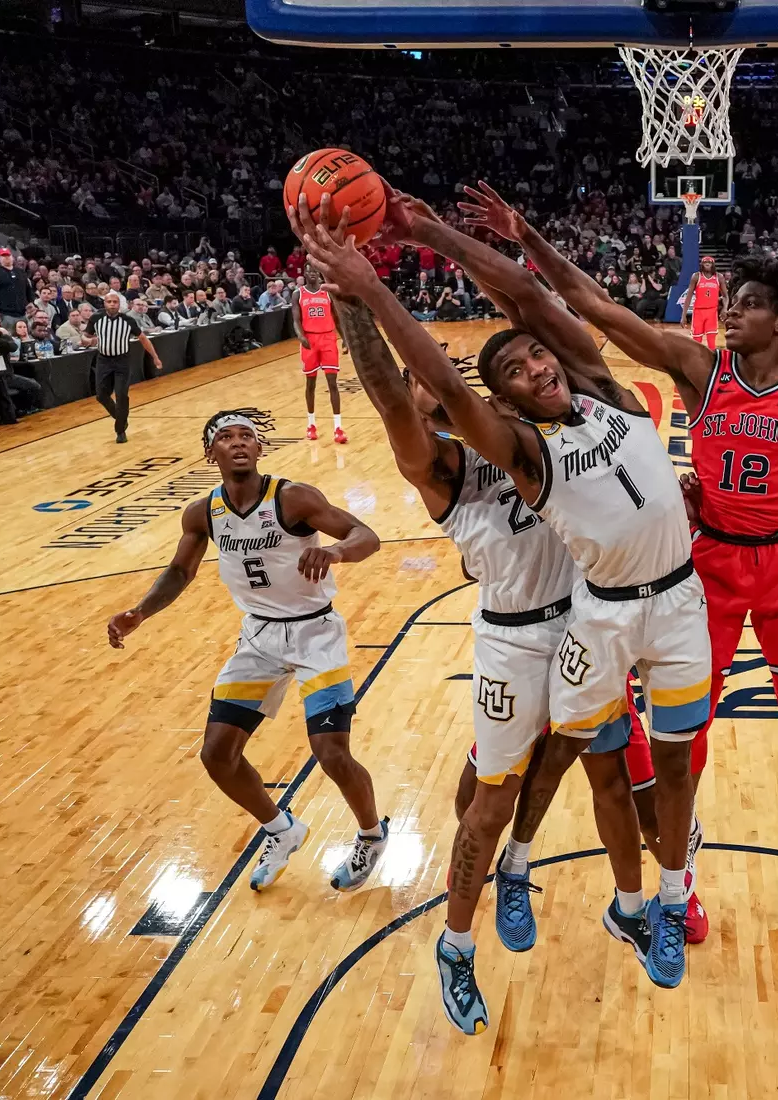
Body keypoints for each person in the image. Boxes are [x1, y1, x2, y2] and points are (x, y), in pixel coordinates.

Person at [454, 181, 778, 918]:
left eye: (749, 302)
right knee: (688, 723)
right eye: (730, 299)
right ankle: (685, 852)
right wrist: (529, 238)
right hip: (709, 564)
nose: (731, 309)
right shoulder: (700, 371)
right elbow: (598, 307)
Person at [293, 188, 712, 1000]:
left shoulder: (571, 403)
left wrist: (437, 235)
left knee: (601, 775)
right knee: (488, 791)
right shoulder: (462, 460)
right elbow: (402, 388)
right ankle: (467, 927)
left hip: (599, 619)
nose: (432, 386)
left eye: (519, 366)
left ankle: (617, 896)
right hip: (523, 634)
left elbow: (530, 308)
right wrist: (356, 295)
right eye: (431, 384)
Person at [107, 409, 389, 894]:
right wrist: (139, 612)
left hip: (315, 633)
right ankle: (282, 830)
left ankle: (372, 835)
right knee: (217, 755)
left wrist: (336, 552)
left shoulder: (293, 497)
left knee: (331, 754)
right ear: (210, 451)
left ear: (260, 450)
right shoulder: (202, 513)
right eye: (225, 437)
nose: (237, 443)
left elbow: (367, 535)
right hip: (258, 637)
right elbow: (180, 572)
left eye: (247, 437)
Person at [92, 291, 163, 444]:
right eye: (109, 301)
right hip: (103, 360)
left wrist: (155, 357)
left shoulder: (128, 320)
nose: (112, 304)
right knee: (101, 396)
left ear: (119, 304)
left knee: (121, 395)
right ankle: (121, 417)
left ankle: (120, 430)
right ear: (105, 303)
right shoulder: (96, 318)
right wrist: (85, 340)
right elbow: (86, 335)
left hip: (122, 361)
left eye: (115, 302)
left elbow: (143, 339)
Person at [293, 266, 345, 443]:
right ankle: (311, 424)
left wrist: (345, 338)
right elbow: (296, 319)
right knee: (310, 384)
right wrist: (300, 335)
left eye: (315, 271)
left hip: (328, 338)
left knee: (333, 384)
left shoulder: (327, 292)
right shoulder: (298, 294)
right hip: (310, 340)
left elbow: (337, 317)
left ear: (319, 274)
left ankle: (338, 428)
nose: (313, 273)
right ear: (305, 274)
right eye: (309, 271)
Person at [681, 256, 725, 351]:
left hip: (712, 312)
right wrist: (683, 315)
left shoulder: (719, 277)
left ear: (713, 265)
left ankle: (712, 363)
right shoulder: (696, 276)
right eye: (705, 262)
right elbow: (688, 296)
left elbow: (726, 296)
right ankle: (697, 361)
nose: (707, 264)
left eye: (709, 262)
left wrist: (725, 309)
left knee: (711, 342)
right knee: (697, 341)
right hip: (698, 312)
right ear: (701, 265)